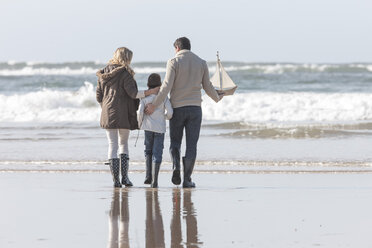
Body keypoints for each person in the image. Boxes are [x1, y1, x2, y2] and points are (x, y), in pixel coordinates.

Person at [145, 37, 223, 188]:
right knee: (192, 145)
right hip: (195, 109)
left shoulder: (173, 62)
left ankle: (176, 166)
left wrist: (154, 105)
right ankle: (187, 179)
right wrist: (218, 97)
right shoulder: (201, 62)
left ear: (177, 48)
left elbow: (166, 86)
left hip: (177, 109)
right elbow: (207, 87)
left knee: (175, 142)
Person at [96, 47, 159, 188]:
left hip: (107, 113)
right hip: (124, 113)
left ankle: (115, 181)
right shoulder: (124, 73)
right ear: (126, 58)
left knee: (112, 145)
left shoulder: (102, 73)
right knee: (123, 144)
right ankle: (125, 178)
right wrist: (151, 92)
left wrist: (106, 108)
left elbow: (99, 96)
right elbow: (133, 94)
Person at [137, 73, 173, 188]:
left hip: (147, 127)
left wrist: (140, 123)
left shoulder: (145, 98)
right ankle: (155, 181)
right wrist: (165, 117)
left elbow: (139, 112)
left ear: (148, 84)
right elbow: (171, 112)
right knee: (157, 153)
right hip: (160, 129)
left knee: (148, 151)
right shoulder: (163, 97)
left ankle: (148, 176)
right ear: (160, 84)